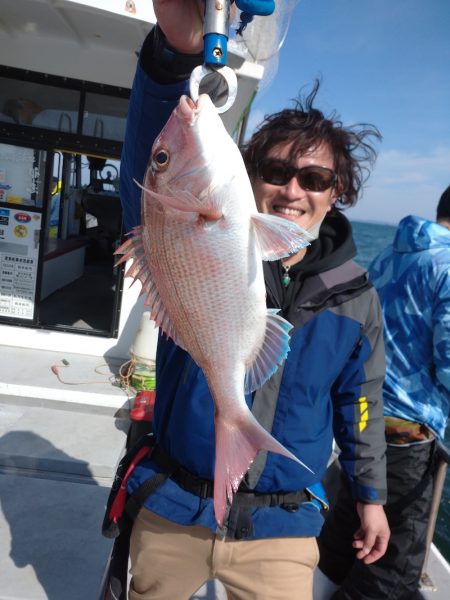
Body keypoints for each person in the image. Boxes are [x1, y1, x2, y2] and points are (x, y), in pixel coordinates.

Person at [118, 2, 390, 598]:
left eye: (314, 179)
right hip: (174, 510)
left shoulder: (355, 298)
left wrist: (371, 497)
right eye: (274, 170)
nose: (292, 189)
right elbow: (148, 166)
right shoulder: (196, 223)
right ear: (249, 173)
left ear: (336, 192)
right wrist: (176, 55)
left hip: (282, 528)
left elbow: (361, 404)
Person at [318, 188, 450, 599]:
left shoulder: (392, 254)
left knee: (342, 539)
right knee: (390, 569)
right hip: (407, 434)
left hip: (362, 420)